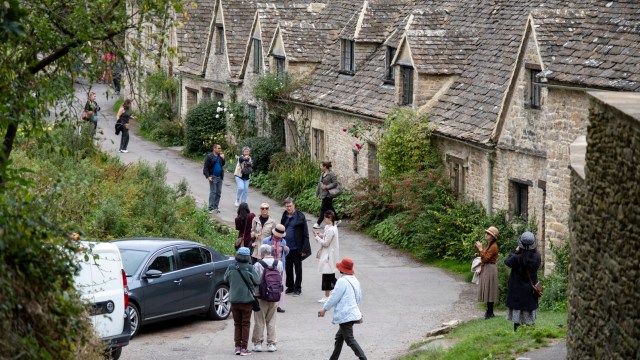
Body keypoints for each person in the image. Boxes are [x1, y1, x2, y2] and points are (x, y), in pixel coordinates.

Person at [318, 258, 367, 360]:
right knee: (339, 337)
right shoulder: (355, 280)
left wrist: (324, 309)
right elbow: (359, 296)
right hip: (353, 312)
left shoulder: (342, 281)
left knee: (349, 339)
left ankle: (363, 358)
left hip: (346, 314)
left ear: (342, 269)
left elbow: (334, 297)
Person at [224, 247, 260, 356]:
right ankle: (244, 348)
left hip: (234, 300)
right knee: (245, 324)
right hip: (247, 300)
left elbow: (225, 279)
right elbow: (257, 280)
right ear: (248, 256)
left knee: (237, 324)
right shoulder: (250, 267)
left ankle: (237, 347)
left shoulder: (231, 267)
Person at [504, 231, 541, 332]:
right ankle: (531, 337)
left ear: (520, 244)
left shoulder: (517, 258)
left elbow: (507, 261)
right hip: (530, 292)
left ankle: (518, 338)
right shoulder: (537, 257)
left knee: (517, 320)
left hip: (517, 292)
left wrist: (515, 251)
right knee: (529, 318)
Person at [251, 244, 284, 353]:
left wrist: (255, 294)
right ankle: (271, 344)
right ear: (271, 252)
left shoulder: (257, 264)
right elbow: (280, 279)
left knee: (259, 320)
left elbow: (256, 281)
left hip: (261, 296)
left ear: (261, 253)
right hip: (274, 295)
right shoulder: (279, 263)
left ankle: (258, 344)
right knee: (272, 320)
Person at [280, 197, 311, 296]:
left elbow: (305, 234)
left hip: (297, 248)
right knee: (288, 268)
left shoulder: (300, 216)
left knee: (298, 269)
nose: (288, 208)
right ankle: (290, 286)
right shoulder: (285, 215)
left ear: (294, 205)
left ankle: (298, 288)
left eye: (290, 206)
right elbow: (281, 229)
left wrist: (304, 249)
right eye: (287, 206)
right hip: (286, 248)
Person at [263, 224, 290, 313]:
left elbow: (285, 254)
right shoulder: (267, 240)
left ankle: (277, 304)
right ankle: (267, 299)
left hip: (280, 264)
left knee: (280, 284)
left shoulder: (283, 242)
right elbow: (262, 252)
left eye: (280, 237)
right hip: (269, 264)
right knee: (268, 282)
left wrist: (286, 249)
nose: (278, 238)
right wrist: (270, 248)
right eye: (277, 236)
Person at [314, 210, 340, 303]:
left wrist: (317, 238)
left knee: (327, 276)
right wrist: (320, 235)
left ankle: (327, 297)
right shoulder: (330, 227)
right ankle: (331, 295)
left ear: (330, 218)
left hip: (328, 255)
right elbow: (325, 236)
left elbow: (325, 243)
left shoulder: (331, 229)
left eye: (325, 218)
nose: (324, 220)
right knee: (330, 276)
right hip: (329, 254)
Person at [475, 226, 500, 319]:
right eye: (486, 233)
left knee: (490, 289)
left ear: (493, 236)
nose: (486, 234)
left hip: (490, 268)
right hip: (487, 268)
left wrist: (480, 249)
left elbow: (485, 258)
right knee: (487, 289)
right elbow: (484, 257)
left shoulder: (494, 246)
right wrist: (480, 248)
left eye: (488, 234)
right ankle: (489, 312)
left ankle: (490, 312)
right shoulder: (488, 245)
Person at [314, 161, 340, 229]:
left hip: (329, 194)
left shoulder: (331, 174)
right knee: (330, 207)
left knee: (323, 208)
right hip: (323, 194)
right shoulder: (322, 174)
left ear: (325, 167)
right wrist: (316, 194)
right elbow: (319, 184)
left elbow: (335, 183)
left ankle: (318, 223)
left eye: (321, 166)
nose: (320, 167)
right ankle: (337, 220)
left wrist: (327, 187)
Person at [203, 144, 225, 213]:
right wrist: (208, 176)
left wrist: (223, 158)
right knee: (213, 192)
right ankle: (210, 208)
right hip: (213, 177)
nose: (220, 150)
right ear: (214, 149)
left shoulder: (220, 156)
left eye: (220, 148)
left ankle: (215, 207)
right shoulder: (209, 156)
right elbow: (205, 168)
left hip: (220, 177)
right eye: (218, 148)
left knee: (218, 193)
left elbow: (223, 164)